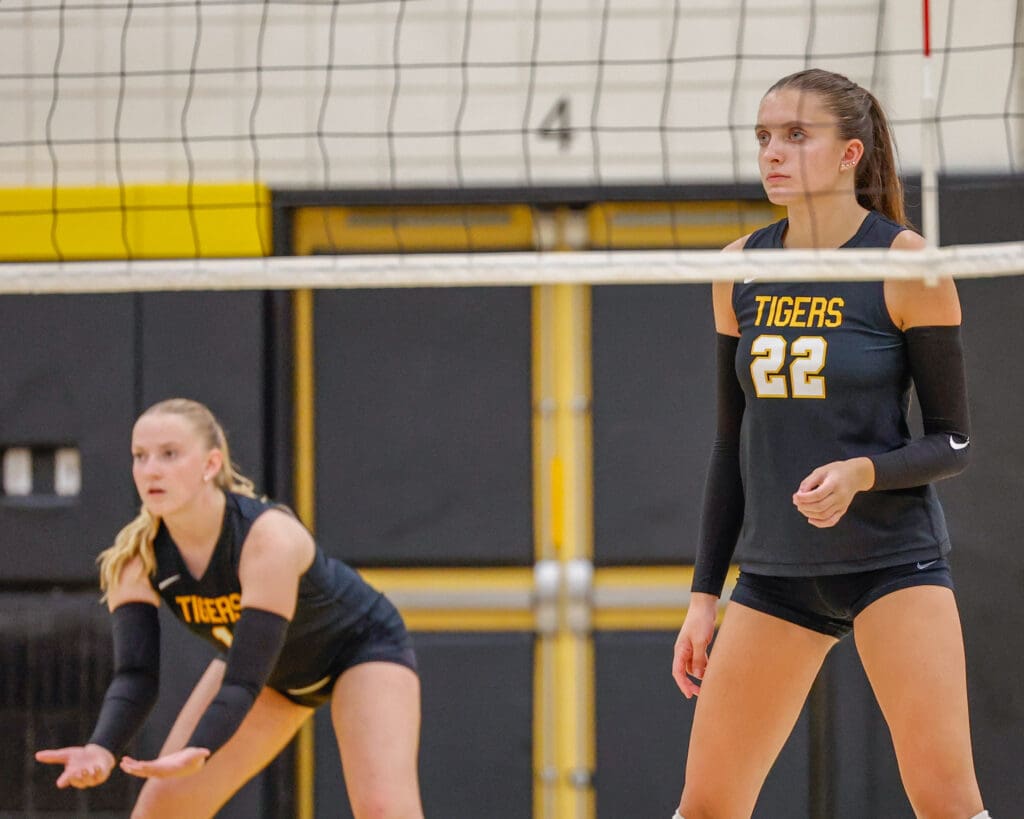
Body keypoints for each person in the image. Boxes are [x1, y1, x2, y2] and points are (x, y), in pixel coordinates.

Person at [670, 68, 990, 819]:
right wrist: (702, 595)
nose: (772, 153)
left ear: (850, 153)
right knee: (706, 806)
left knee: (947, 802)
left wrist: (862, 471)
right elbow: (730, 442)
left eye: (795, 135)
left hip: (891, 562)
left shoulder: (905, 263)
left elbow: (955, 440)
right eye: (763, 138)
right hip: (778, 573)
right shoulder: (740, 266)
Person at [35, 398, 424, 819]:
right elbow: (136, 676)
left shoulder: (267, 538)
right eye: (140, 456)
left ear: (210, 464)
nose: (151, 469)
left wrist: (200, 748)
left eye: (169, 454)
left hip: (357, 650)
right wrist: (101, 749)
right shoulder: (137, 557)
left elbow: (242, 680)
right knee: (161, 813)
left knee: (383, 809)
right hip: (270, 673)